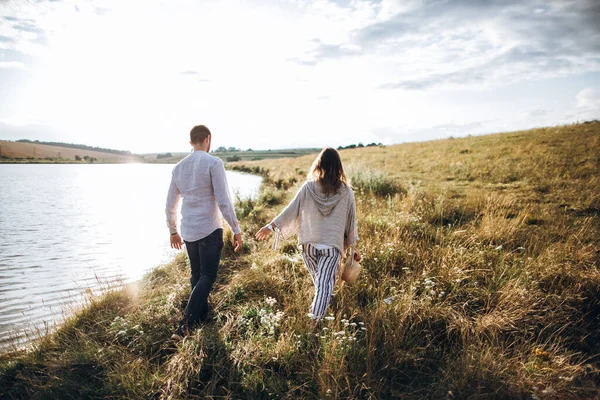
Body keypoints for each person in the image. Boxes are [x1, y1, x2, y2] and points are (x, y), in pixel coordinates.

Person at [255, 147, 361, 322]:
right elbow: (352, 222)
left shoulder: (308, 188)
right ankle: (315, 323)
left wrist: (271, 226)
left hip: (308, 245)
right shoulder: (347, 192)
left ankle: (325, 303)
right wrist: (352, 246)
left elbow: (290, 210)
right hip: (331, 247)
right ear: (339, 167)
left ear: (319, 165)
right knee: (323, 284)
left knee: (322, 283)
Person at [166, 125, 243, 340]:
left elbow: (170, 205)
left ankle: (201, 317)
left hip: (188, 230)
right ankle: (185, 325)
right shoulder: (214, 163)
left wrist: (173, 231)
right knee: (208, 276)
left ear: (191, 142)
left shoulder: (178, 168)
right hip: (209, 228)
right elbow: (224, 200)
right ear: (208, 139)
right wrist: (236, 229)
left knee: (197, 275)